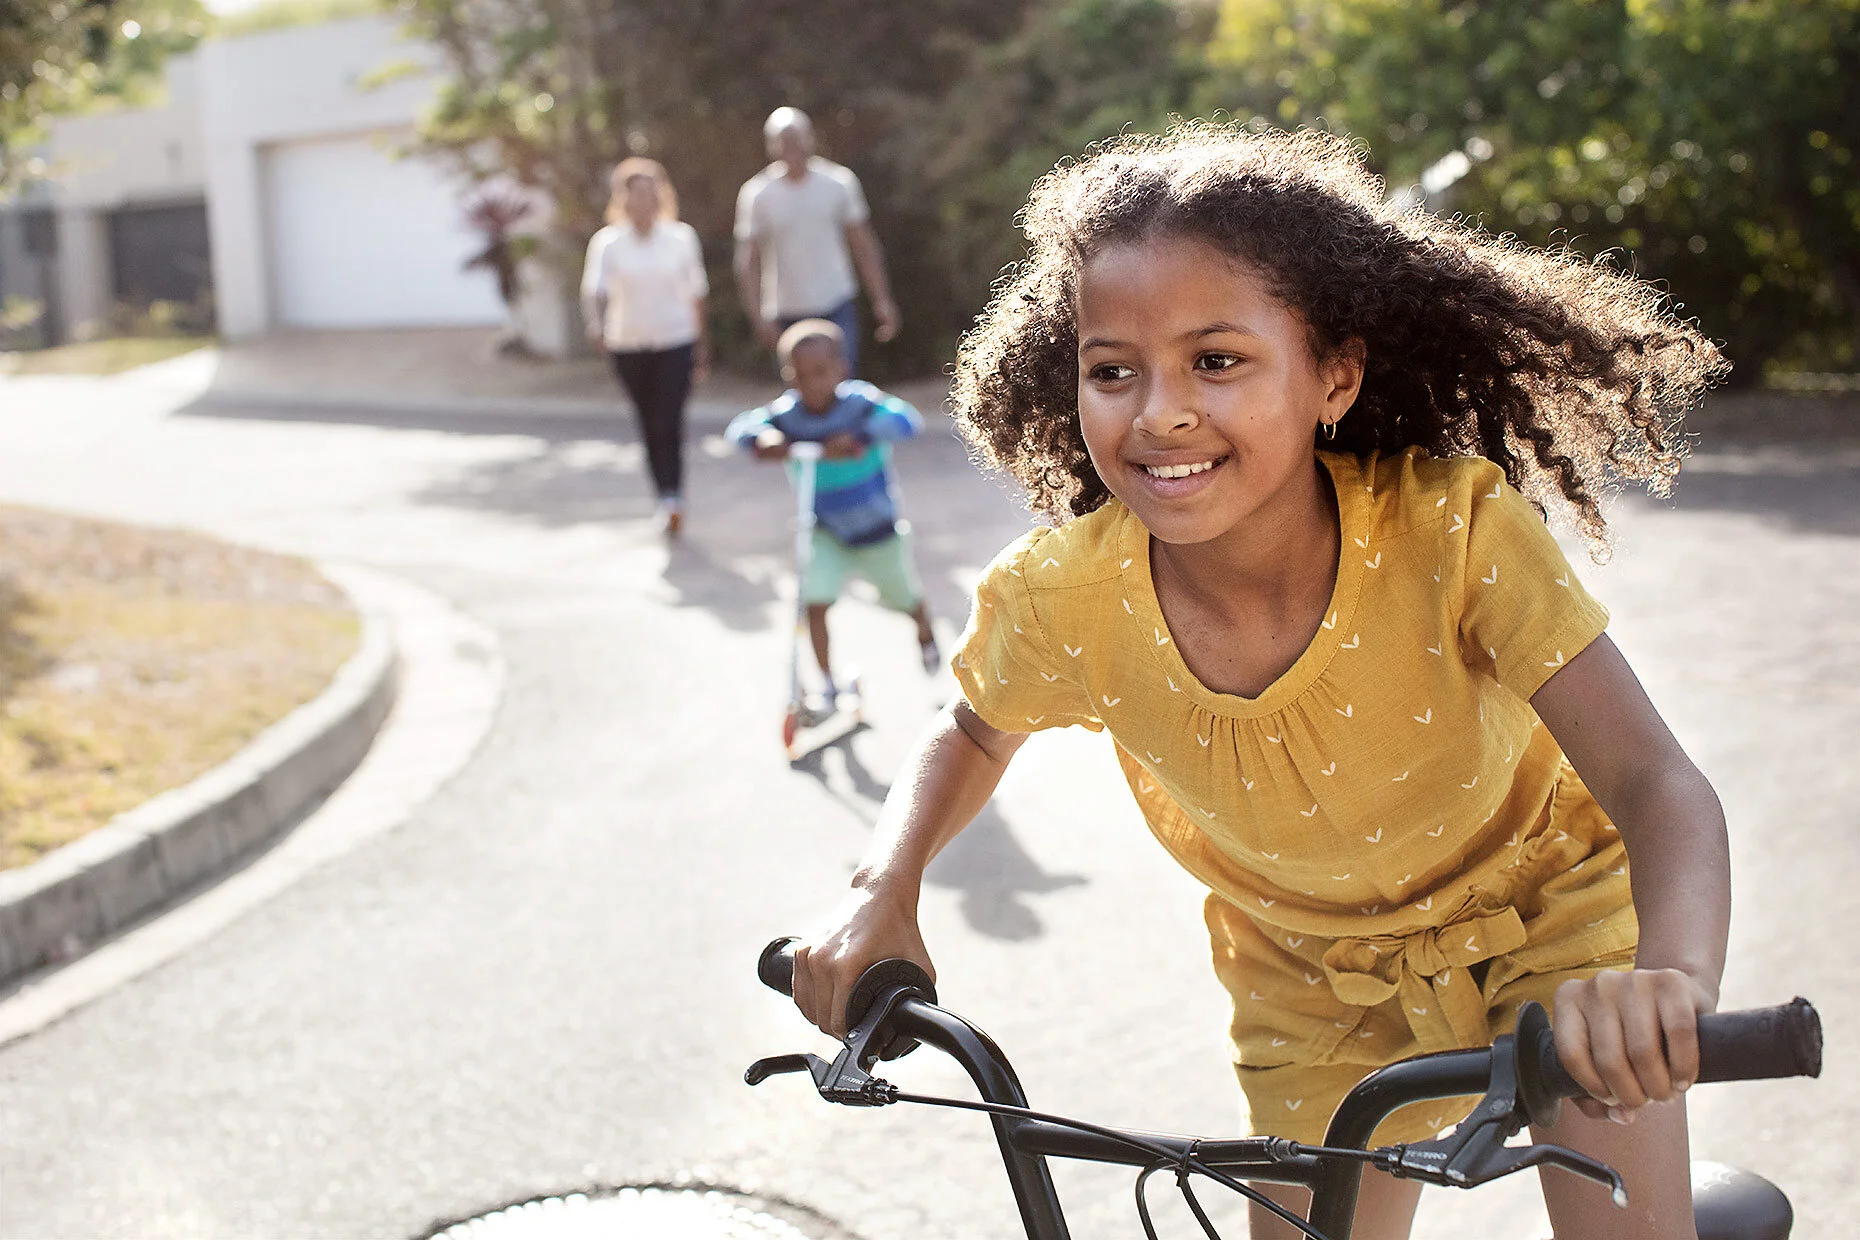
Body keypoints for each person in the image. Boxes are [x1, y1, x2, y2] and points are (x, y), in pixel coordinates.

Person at [786, 124, 1733, 1240]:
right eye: (1112, 370)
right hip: (1312, 982)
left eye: (1217, 361)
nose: (1158, 413)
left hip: (1554, 926)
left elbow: (1653, 778)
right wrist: (879, 883)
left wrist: (1665, 980)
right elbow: (972, 729)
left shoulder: (1451, 532)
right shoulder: (1064, 598)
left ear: (1333, 374)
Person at [727, 319, 939, 705]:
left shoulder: (859, 404)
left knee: (903, 597)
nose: (811, 383)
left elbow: (907, 420)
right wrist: (764, 438)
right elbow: (740, 429)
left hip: (878, 531)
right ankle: (827, 683)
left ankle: (924, 629)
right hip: (823, 531)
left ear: (841, 368)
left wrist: (861, 436)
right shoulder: (787, 416)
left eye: (821, 372)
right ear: (788, 376)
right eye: (799, 375)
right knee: (814, 601)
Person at [582, 156, 710, 536]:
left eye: (649, 193)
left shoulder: (680, 238)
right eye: (634, 194)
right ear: (623, 199)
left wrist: (703, 344)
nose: (643, 201)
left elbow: (696, 293)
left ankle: (674, 496)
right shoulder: (608, 242)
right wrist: (597, 327)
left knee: (670, 418)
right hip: (629, 345)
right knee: (649, 421)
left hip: (675, 340)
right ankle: (662, 493)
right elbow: (594, 291)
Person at [734, 106, 900, 376]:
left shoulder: (839, 183)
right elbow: (748, 260)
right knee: (801, 394)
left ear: (810, 139)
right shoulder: (757, 194)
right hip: (785, 311)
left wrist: (882, 299)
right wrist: (757, 315)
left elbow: (863, 246)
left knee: (841, 387)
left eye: (797, 139)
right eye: (783, 141)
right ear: (771, 146)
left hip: (836, 302)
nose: (792, 148)